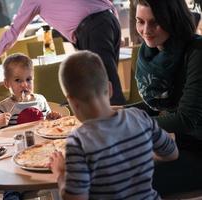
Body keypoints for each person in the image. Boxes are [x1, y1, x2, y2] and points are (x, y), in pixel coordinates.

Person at [48, 51, 178, 200]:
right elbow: (172, 153)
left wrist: (60, 173)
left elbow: (76, 198)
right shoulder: (139, 117)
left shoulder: (78, 141)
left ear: (72, 102)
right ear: (110, 89)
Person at [0, 0, 126, 105]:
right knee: (102, 88)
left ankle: (124, 141)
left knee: (106, 91)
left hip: (94, 30)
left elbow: (14, 31)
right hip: (108, 21)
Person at [130, 0, 202, 196]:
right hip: (183, 145)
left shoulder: (197, 51)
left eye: (155, 22)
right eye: (140, 21)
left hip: (198, 152)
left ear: (173, 20)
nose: (146, 30)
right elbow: (159, 104)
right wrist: (119, 112)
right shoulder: (154, 51)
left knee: (126, 177)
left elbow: (185, 119)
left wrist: (129, 124)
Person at [0, 53, 61, 134]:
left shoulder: (41, 100)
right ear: (7, 83)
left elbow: (48, 124)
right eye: (18, 80)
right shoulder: (4, 107)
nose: (24, 84)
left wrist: (52, 118)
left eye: (28, 79)